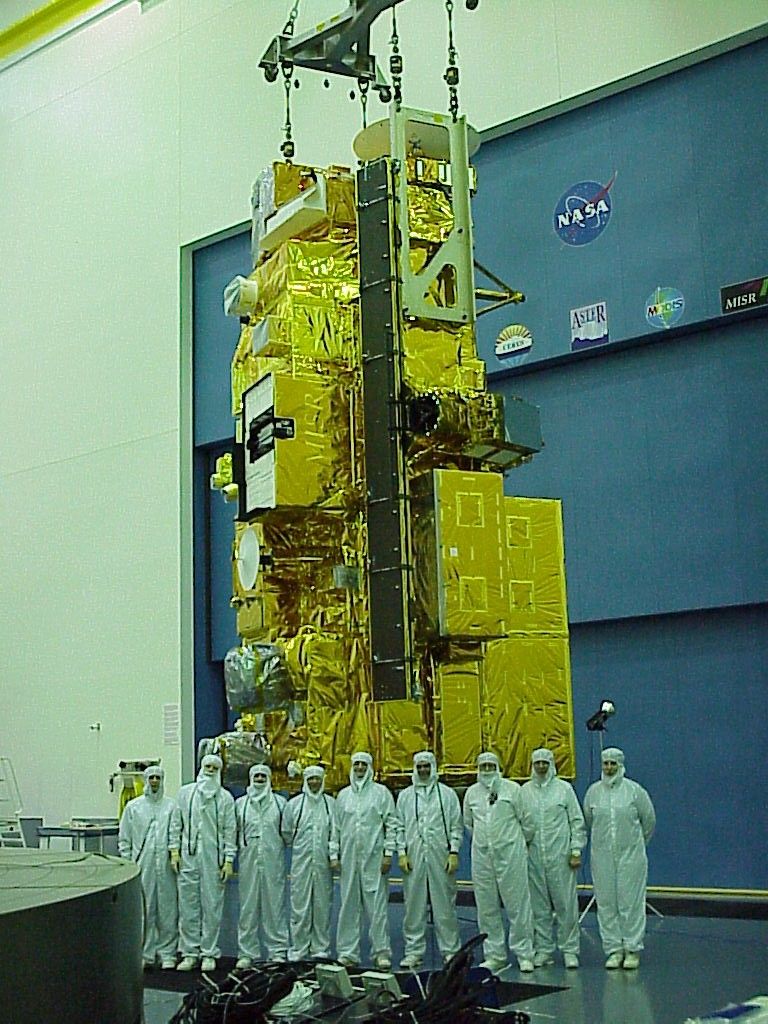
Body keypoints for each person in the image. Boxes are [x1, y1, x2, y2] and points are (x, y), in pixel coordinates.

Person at [583, 747, 656, 970]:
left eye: (613, 763)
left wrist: (635, 846)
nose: (609, 767)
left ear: (621, 765)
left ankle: (632, 949)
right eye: (605, 763)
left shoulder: (635, 791)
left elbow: (649, 821)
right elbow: (589, 821)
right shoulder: (593, 792)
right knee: (606, 903)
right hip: (602, 856)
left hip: (631, 856)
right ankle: (614, 949)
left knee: (630, 903)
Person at [463, 751, 535, 974]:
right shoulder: (472, 793)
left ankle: (524, 953)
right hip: (483, 856)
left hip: (511, 855)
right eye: (482, 766)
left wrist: (513, 844)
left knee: (517, 905)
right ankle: (494, 955)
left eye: (490, 765)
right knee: (486, 907)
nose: (486, 770)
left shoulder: (513, 790)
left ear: (498, 766)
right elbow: (469, 824)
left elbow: (528, 822)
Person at [395, 751, 463, 969]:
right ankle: (414, 951)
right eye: (420, 766)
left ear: (433, 767)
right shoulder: (406, 796)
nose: (423, 770)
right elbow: (399, 826)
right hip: (414, 857)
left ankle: (450, 950)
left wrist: (453, 851)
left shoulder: (447, 795)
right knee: (413, 905)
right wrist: (402, 852)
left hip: (440, 855)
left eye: (427, 766)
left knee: (445, 904)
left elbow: (456, 825)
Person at [170, 753, 236, 972]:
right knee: (188, 905)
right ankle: (189, 952)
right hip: (188, 857)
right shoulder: (185, 794)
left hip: (212, 860)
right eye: (207, 766)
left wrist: (228, 860)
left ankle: (209, 952)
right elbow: (176, 824)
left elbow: (230, 831)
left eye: (214, 767)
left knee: (212, 906)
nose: (209, 770)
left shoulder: (225, 798)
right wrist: (174, 851)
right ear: (201, 767)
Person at [521, 748, 586, 969]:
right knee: (538, 908)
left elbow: (576, 821)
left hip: (561, 858)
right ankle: (544, 950)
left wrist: (576, 850)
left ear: (551, 764)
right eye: (537, 762)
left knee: (565, 905)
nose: (541, 766)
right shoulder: (524, 792)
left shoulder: (564, 790)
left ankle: (570, 950)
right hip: (534, 858)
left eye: (544, 763)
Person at [335, 751, 398, 969]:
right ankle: (348, 953)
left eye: (364, 764)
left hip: (374, 859)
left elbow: (392, 824)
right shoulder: (343, 796)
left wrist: (389, 854)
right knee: (349, 906)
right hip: (349, 860)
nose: (360, 768)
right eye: (357, 764)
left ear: (370, 767)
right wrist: (334, 855)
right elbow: (336, 828)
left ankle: (381, 952)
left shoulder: (381, 794)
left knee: (377, 907)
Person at [118, 764, 178, 969]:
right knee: (145, 908)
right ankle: (146, 953)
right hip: (142, 864)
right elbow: (124, 838)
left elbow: (175, 833)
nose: (154, 781)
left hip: (167, 865)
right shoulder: (134, 807)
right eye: (151, 777)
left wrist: (174, 854)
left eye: (158, 778)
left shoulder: (171, 806)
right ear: (145, 780)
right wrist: (129, 863)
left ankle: (167, 952)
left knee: (168, 908)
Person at [281, 765, 339, 961]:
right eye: (311, 778)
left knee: (322, 904)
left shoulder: (330, 804)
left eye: (317, 778)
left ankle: (320, 947)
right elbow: (287, 832)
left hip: (323, 864)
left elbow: (335, 832)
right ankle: (299, 947)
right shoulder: (294, 805)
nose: (314, 782)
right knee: (300, 904)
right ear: (305, 781)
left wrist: (332, 856)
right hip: (301, 862)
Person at [235, 763, 289, 967]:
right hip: (248, 859)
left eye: (262, 776)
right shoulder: (240, 804)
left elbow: (287, 832)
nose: (259, 779)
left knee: (274, 905)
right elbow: (235, 832)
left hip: (273, 860)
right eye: (256, 775)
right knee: (248, 905)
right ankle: (246, 952)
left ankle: (277, 949)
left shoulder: (280, 803)